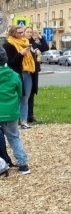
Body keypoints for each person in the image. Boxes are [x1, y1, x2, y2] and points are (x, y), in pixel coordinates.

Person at [0, 46, 31, 175]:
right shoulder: (14, 75)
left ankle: (3, 165)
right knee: (14, 137)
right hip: (11, 111)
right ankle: (23, 164)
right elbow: (19, 93)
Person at [3, 26, 36, 130]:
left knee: (25, 98)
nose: (22, 35)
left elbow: (31, 59)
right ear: (13, 33)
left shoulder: (26, 43)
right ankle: (14, 121)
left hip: (28, 73)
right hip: (17, 74)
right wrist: (21, 53)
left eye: (22, 32)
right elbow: (10, 62)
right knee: (16, 98)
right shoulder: (8, 45)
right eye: (19, 33)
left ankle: (24, 121)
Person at [26, 28, 49, 124]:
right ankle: (22, 116)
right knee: (24, 94)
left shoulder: (33, 43)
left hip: (34, 70)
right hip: (26, 70)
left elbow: (45, 48)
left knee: (32, 92)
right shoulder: (22, 42)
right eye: (27, 32)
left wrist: (40, 37)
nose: (29, 33)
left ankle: (30, 115)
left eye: (31, 32)